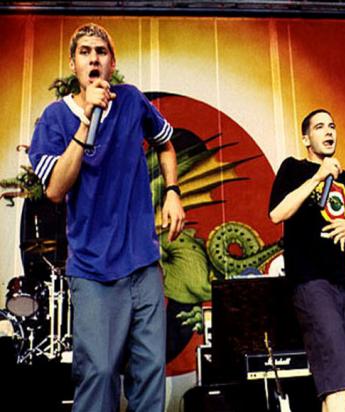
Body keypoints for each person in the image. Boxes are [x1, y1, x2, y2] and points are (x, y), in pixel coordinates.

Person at [29, 23, 185, 412]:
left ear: (112, 63)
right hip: (92, 269)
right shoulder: (54, 118)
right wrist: (87, 120)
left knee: (149, 374)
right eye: (85, 52)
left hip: (142, 263)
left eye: (101, 51)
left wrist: (172, 191)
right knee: (98, 374)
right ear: (73, 64)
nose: (94, 58)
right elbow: (55, 189)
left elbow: (165, 142)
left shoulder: (131, 100)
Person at [269, 109, 345, 412]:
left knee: (336, 381)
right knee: (337, 380)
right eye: (320, 126)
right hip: (310, 282)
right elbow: (277, 214)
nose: (329, 131)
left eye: (332, 126)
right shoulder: (294, 168)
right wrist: (317, 176)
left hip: (342, 284)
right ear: (306, 138)